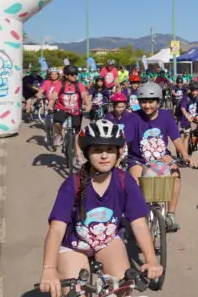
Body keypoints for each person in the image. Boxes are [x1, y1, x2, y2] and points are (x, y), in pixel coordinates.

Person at [38, 120, 162, 297]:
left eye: (110, 150)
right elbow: (56, 229)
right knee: (74, 292)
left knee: (123, 289)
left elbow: (139, 223)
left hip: (108, 241)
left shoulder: (125, 180)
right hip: (75, 245)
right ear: (87, 153)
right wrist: (49, 268)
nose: (104, 156)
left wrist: (151, 259)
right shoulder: (71, 184)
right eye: (97, 150)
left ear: (118, 152)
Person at [126, 82, 191, 232]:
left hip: (162, 156)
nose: (147, 105)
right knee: (135, 183)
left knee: (175, 175)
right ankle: (136, 218)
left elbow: (175, 138)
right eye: (143, 102)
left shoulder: (166, 116)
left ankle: (170, 215)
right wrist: (117, 157)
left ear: (158, 101)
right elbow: (125, 141)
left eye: (151, 101)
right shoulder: (133, 118)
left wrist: (185, 154)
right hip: (138, 158)